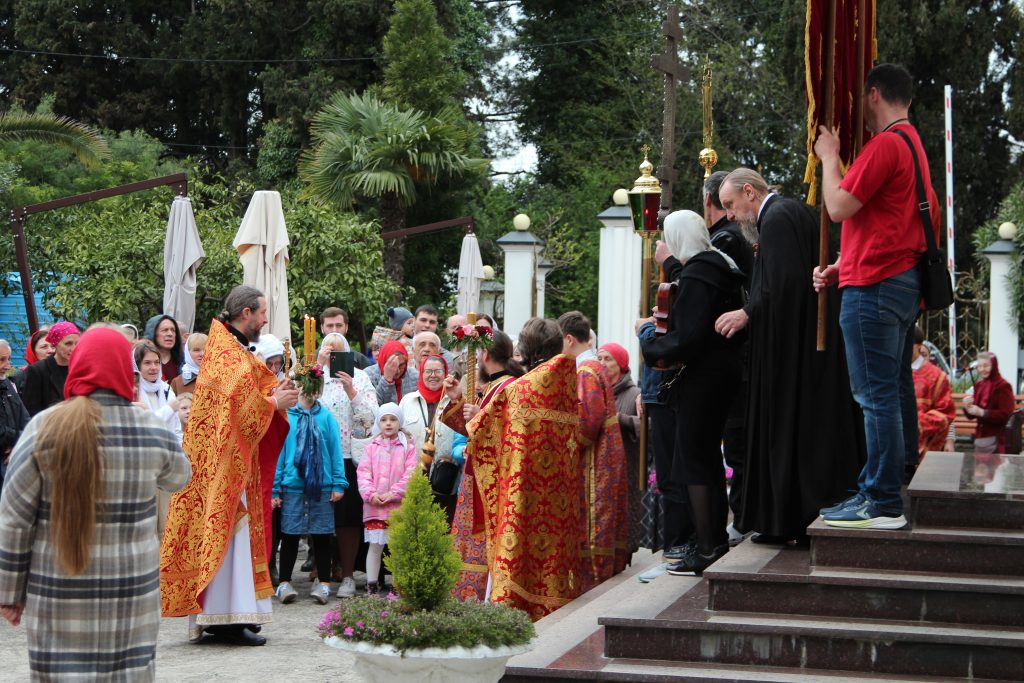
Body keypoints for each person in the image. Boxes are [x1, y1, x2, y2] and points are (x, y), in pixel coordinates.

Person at [0, 326, 191, 680]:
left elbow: (14, 518)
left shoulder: (44, 428)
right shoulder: (148, 429)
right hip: (132, 594)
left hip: (58, 592)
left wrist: (9, 591)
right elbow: (181, 476)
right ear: (125, 370)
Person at [812, 64, 940, 529]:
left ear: (873, 95)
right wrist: (843, 265)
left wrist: (830, 157)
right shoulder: (913, 145)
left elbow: (838, 206)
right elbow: (893, 226)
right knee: (893, 388)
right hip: (899, 282)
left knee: (875, 396)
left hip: (875, 286)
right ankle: (894, 481)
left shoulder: (885, 144)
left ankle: (882, 501)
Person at [716, 168, 864, 543]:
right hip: (806, 343)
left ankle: (787, 521)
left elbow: (782, 284)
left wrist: (746, 313)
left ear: (749, 192)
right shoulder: (791, 211)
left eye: (730, 204)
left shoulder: (777, 219)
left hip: (790, 349)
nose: (729, 215)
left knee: (787, 428)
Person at [161, 285, 299, 646]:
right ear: (246, 313)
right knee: (229, 536)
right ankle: (225, 620)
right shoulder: (226, 355)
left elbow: (247, 397)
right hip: (224, 464)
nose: (265, 319)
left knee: (236, 537)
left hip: (234, 460)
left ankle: (237, 614)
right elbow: (239, 411)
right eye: (262, 312)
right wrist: (274, 403)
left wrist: (276, 394)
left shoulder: (232, 350)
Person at [640, 210, 746, 574]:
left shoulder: (700, 272)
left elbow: (688, 336)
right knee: (705, 459)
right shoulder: (719, 265)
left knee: (694, 461)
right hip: (722, 373)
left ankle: (707, 547)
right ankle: (712, 542)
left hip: (704, 378)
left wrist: (651, 345)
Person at [463, 317, 582, 621]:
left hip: (523, 498)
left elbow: (480, 434)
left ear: (526, 349)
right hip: (560, 501)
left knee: (519, 558)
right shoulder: (567, 387)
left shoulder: (519, 391)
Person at [441, 329, 524, 602]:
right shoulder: (492, 387)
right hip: (477, 475)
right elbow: (472, 431)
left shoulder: (509, 387)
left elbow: (513, 435)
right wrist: (458, 400)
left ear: (485, 354)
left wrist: (480, 417)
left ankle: (485, 595)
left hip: (492, 481)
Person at [559, 311, 629, 586]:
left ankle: (594, 578)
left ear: (569, 339)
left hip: (595, 457)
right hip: (606, 451)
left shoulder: (585, 370)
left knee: (594, 517)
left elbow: (587, 422)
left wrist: (563, 443)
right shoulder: (594, 366)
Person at [272, 368, 346, 605]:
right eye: (306, 385)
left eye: (316, 386)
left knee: (322, 536)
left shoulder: (326, 418)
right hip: (293, 486)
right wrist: (275, 488)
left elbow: (335, 452)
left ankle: (323, 583)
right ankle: (285, 582)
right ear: (298, 386)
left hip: (321, 486)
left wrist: (338, 483)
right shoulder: (287, 416)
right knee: (290, 535)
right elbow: (280, 453)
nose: (311, 390)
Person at [317, 332, 378, 598]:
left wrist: (351, 390)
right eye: (328, 351)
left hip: (348, 455)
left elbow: (372, 416)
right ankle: (321, 575)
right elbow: (302, 403)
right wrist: (317, 368)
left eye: (338, 352)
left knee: (348, 519)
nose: (333, 357)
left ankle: (348, 575)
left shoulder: (360, 377)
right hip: (319, 455)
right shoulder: (315, 375)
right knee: (319, 515)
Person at [356, 403, 418, 595]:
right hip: (374, 507)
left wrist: (394, 493)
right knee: (375, 547)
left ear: (400, 422)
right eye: (383, 420)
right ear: (378, 423)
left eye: (393, 419)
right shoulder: (371, 448)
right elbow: (363, 473)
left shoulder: (408, 447)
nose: (388, 423)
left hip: (398, 508)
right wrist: (371, 494)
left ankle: (397, 587)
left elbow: (410, 474)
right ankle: (372, 586)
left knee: (397, 548)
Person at [399, 354, 461, 523]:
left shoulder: (455, 400)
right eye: (428, 371)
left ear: (445, 374)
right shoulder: (407, 401)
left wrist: (457, 399)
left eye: (438, 371)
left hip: (444, 479)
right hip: (412, 477)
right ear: (421, 373)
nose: (433, 375)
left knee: (442, 525)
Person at [597, 342, 643, 556]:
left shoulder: (635, 394)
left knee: (625, 508)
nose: (602, 363)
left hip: (626, 464)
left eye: (608, 359)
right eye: (599, 358)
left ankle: (624, 554)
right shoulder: (595, 391)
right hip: (601, 466)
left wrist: (621, 419)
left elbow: (647, 428)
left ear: (621, 364)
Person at [20, 322, 81, 417]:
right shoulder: (38, 370)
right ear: (55, 344)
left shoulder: (81, 368)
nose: (73, 348)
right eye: (68, 343)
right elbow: (31, 411)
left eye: (77, 343)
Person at [911, 328, 956, 457]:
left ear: (918, 346)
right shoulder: (892, 372)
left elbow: (946, 413)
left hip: (925, 450)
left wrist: (914, 422)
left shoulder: (936, 375)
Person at [963, 351, 1015, 454]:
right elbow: (972, 416)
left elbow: (1005, 415)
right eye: (980, 366)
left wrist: (983, 413)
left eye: (986, 366)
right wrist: (967, 406)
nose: (982, 369)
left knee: (994, 465)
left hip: (996, 440)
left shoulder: (1003, 386)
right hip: (980, 440)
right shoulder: (979, 385)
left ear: (994, 366)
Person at [134, 339, 184, 441]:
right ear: (137, 366)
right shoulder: (133, 392)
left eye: (157, 362)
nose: (154, 367)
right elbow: (145, 429)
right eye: (147, 363)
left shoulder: (166, 389)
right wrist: (169, 409)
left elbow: (176, 430)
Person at [0, 339, 30, 487]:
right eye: (2, 360)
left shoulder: (6, 383)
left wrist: (19, 444)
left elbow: (25, 418)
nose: (7, 366)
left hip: (13, 457)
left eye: (9, 359)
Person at [364, 339, 419, 405]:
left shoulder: (414, 375)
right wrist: (387, 379)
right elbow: (373, 405)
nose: (397, 371)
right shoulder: (369, 375)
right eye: (392, 365)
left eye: (401, 365)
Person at [143, 314, 184, 383]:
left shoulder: (184, 362)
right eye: (165, 330)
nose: (170, 334)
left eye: (173, 330)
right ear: (153, 334)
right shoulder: (141, 362)